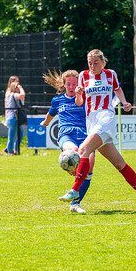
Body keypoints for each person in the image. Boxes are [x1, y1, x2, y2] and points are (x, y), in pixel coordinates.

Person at [58, 49, 136, 213]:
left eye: (95, 63)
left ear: (103, 62)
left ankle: (74, 190)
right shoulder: (83, 76)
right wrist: (77, 95)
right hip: (92, 121)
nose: (92, 66)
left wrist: (125, 102)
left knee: (83, 149)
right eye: (90, 63)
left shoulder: (110, 74)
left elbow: (117, 89)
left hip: (106, 118)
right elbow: (79, 103)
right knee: (119, 164)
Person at [41, 69, 95, 214]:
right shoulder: (58, 100)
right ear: (64, 85)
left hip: (85, 134)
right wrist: (45, 123)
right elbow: (51, 113)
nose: (71, 86)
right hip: (66, 134)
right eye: (69, 84)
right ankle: (72, 168)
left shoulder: (85, 98)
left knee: (89, 166)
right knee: (74, 152)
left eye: (74, 83)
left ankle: (75, 204)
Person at [4, 76, 25, 155]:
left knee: (20, 134)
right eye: (17, 83)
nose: (19, 85)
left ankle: (13, 149)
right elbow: (22, 96)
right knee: (12, 136)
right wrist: (21, 88)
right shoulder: (11, 93)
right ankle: (10, 151)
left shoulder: (10, 93)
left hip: (14, 116)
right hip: (13, 116)